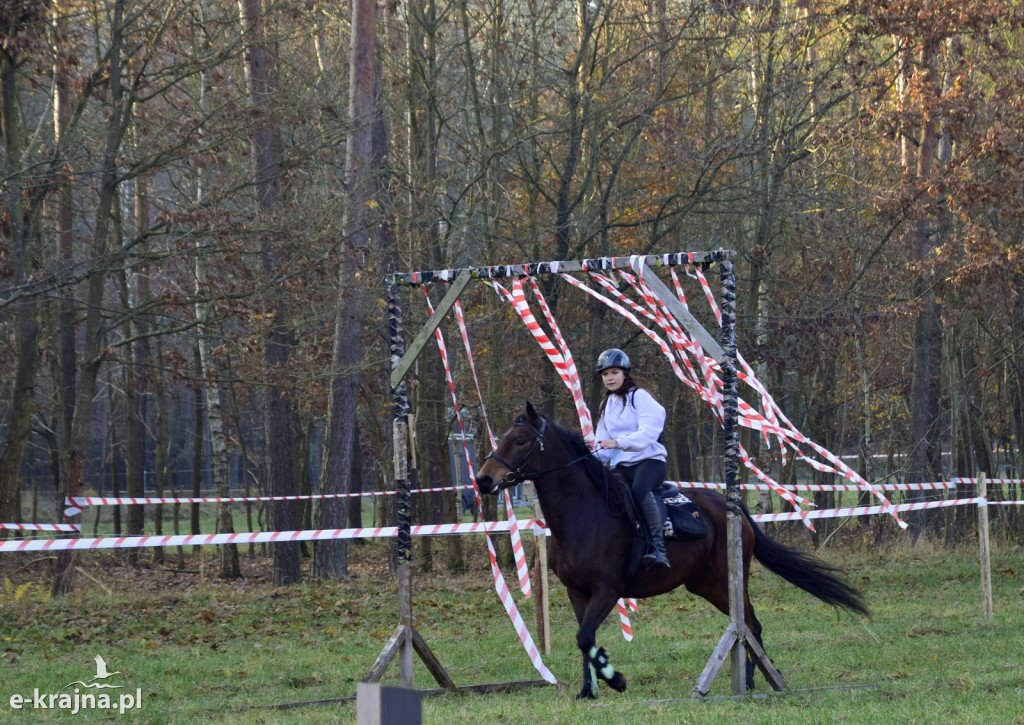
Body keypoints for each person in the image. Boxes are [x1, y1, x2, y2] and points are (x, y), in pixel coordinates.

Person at [591, 348, 670, 569]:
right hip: (623, 464)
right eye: (605, 374)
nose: (609, 378)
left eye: (614, 372)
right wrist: (585, 458)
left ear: (625, 373)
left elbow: (647, 435)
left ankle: (658, 549)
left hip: (650, 461)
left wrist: (618, 443)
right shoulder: (606, 405)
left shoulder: (640, 397)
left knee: (638, 490)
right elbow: (603, 447)